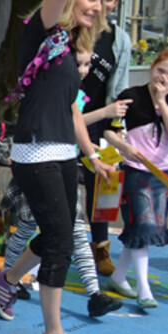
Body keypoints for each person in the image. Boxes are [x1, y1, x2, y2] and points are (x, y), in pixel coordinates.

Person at [0, 0, 110, 334]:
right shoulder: (41, 32)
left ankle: (9, 279)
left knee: (58, 233)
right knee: (61, 242)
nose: (99, 6)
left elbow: (71, 108)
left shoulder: (72, 47)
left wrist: (91, 154)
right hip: (35, 150)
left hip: (64, 152)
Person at [0, 44, 123, 318]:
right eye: (78, 63)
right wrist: (104, 114)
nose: (83, 70)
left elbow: (75, 122)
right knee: (33, 228)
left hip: (62, 168)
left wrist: (93, 153)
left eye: (87, 64)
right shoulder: (50, 84)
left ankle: (93, 294)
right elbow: (71, 119)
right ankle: (9, 278)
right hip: (37, 166)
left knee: (72, 232)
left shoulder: (75, 92)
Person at [104, 49, 168, 310]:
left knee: (147, 229)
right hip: (133, 170)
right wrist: (124, 146)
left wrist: (162, 103)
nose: (163, 77)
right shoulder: (131, 96)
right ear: (152, 68)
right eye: (161, 70)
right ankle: (143, 289)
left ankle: (119, 278)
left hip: (161, 174)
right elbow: (109, 132)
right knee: (142, 224)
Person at [84, 0, 133, 275]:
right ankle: (5, 226)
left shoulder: (119, 39)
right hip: (63, 114)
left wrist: (115, 127)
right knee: (33, 174)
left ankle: (100, 245)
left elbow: (119, 86)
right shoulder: (75, 27)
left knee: (105, 181)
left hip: (100, 118)